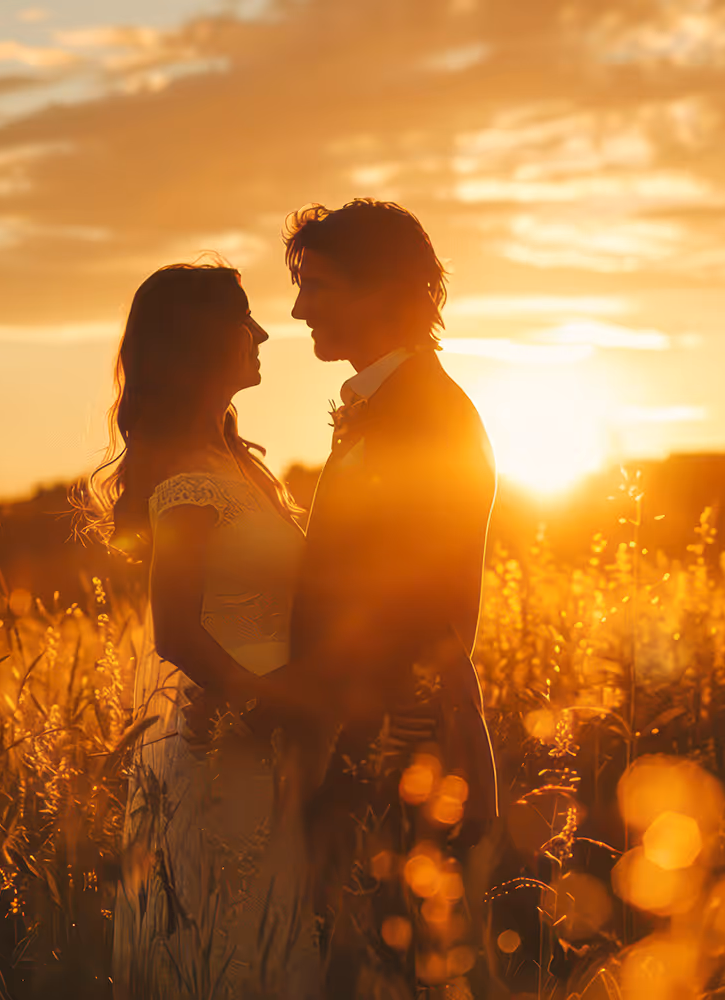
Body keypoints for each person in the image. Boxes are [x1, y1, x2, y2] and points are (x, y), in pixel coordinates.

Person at [281, 199, 499, 998]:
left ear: (386, 293)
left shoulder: (426, 417)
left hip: (396, 745)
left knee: (390, 973)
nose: (300, 307)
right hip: (372, 740)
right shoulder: (391, 406)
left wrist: (357, 752)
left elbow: (414, 606)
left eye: (318, 285)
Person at [90, 264, 320, 1000]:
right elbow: (177, 633)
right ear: (197, 341)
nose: (260, 332)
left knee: (270, 936)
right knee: (235, 944)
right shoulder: (186, 482)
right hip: (228, 744)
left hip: (264, 742)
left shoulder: (236, 464)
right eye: (243, 318)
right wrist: (272, 704)